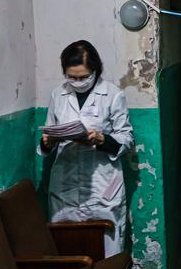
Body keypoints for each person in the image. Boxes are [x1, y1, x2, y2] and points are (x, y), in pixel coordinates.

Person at [38, 40, 134, 256]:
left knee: (107, 246)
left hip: (102, 183)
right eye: (72, 77)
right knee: (66, 246)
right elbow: (50, 132)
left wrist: (101, 140)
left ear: (95, 70)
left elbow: (125, 138)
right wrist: (47, 142)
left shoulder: (112, 94)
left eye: (83, 77)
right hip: (66, 183)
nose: (78, 82)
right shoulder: (58, 95)